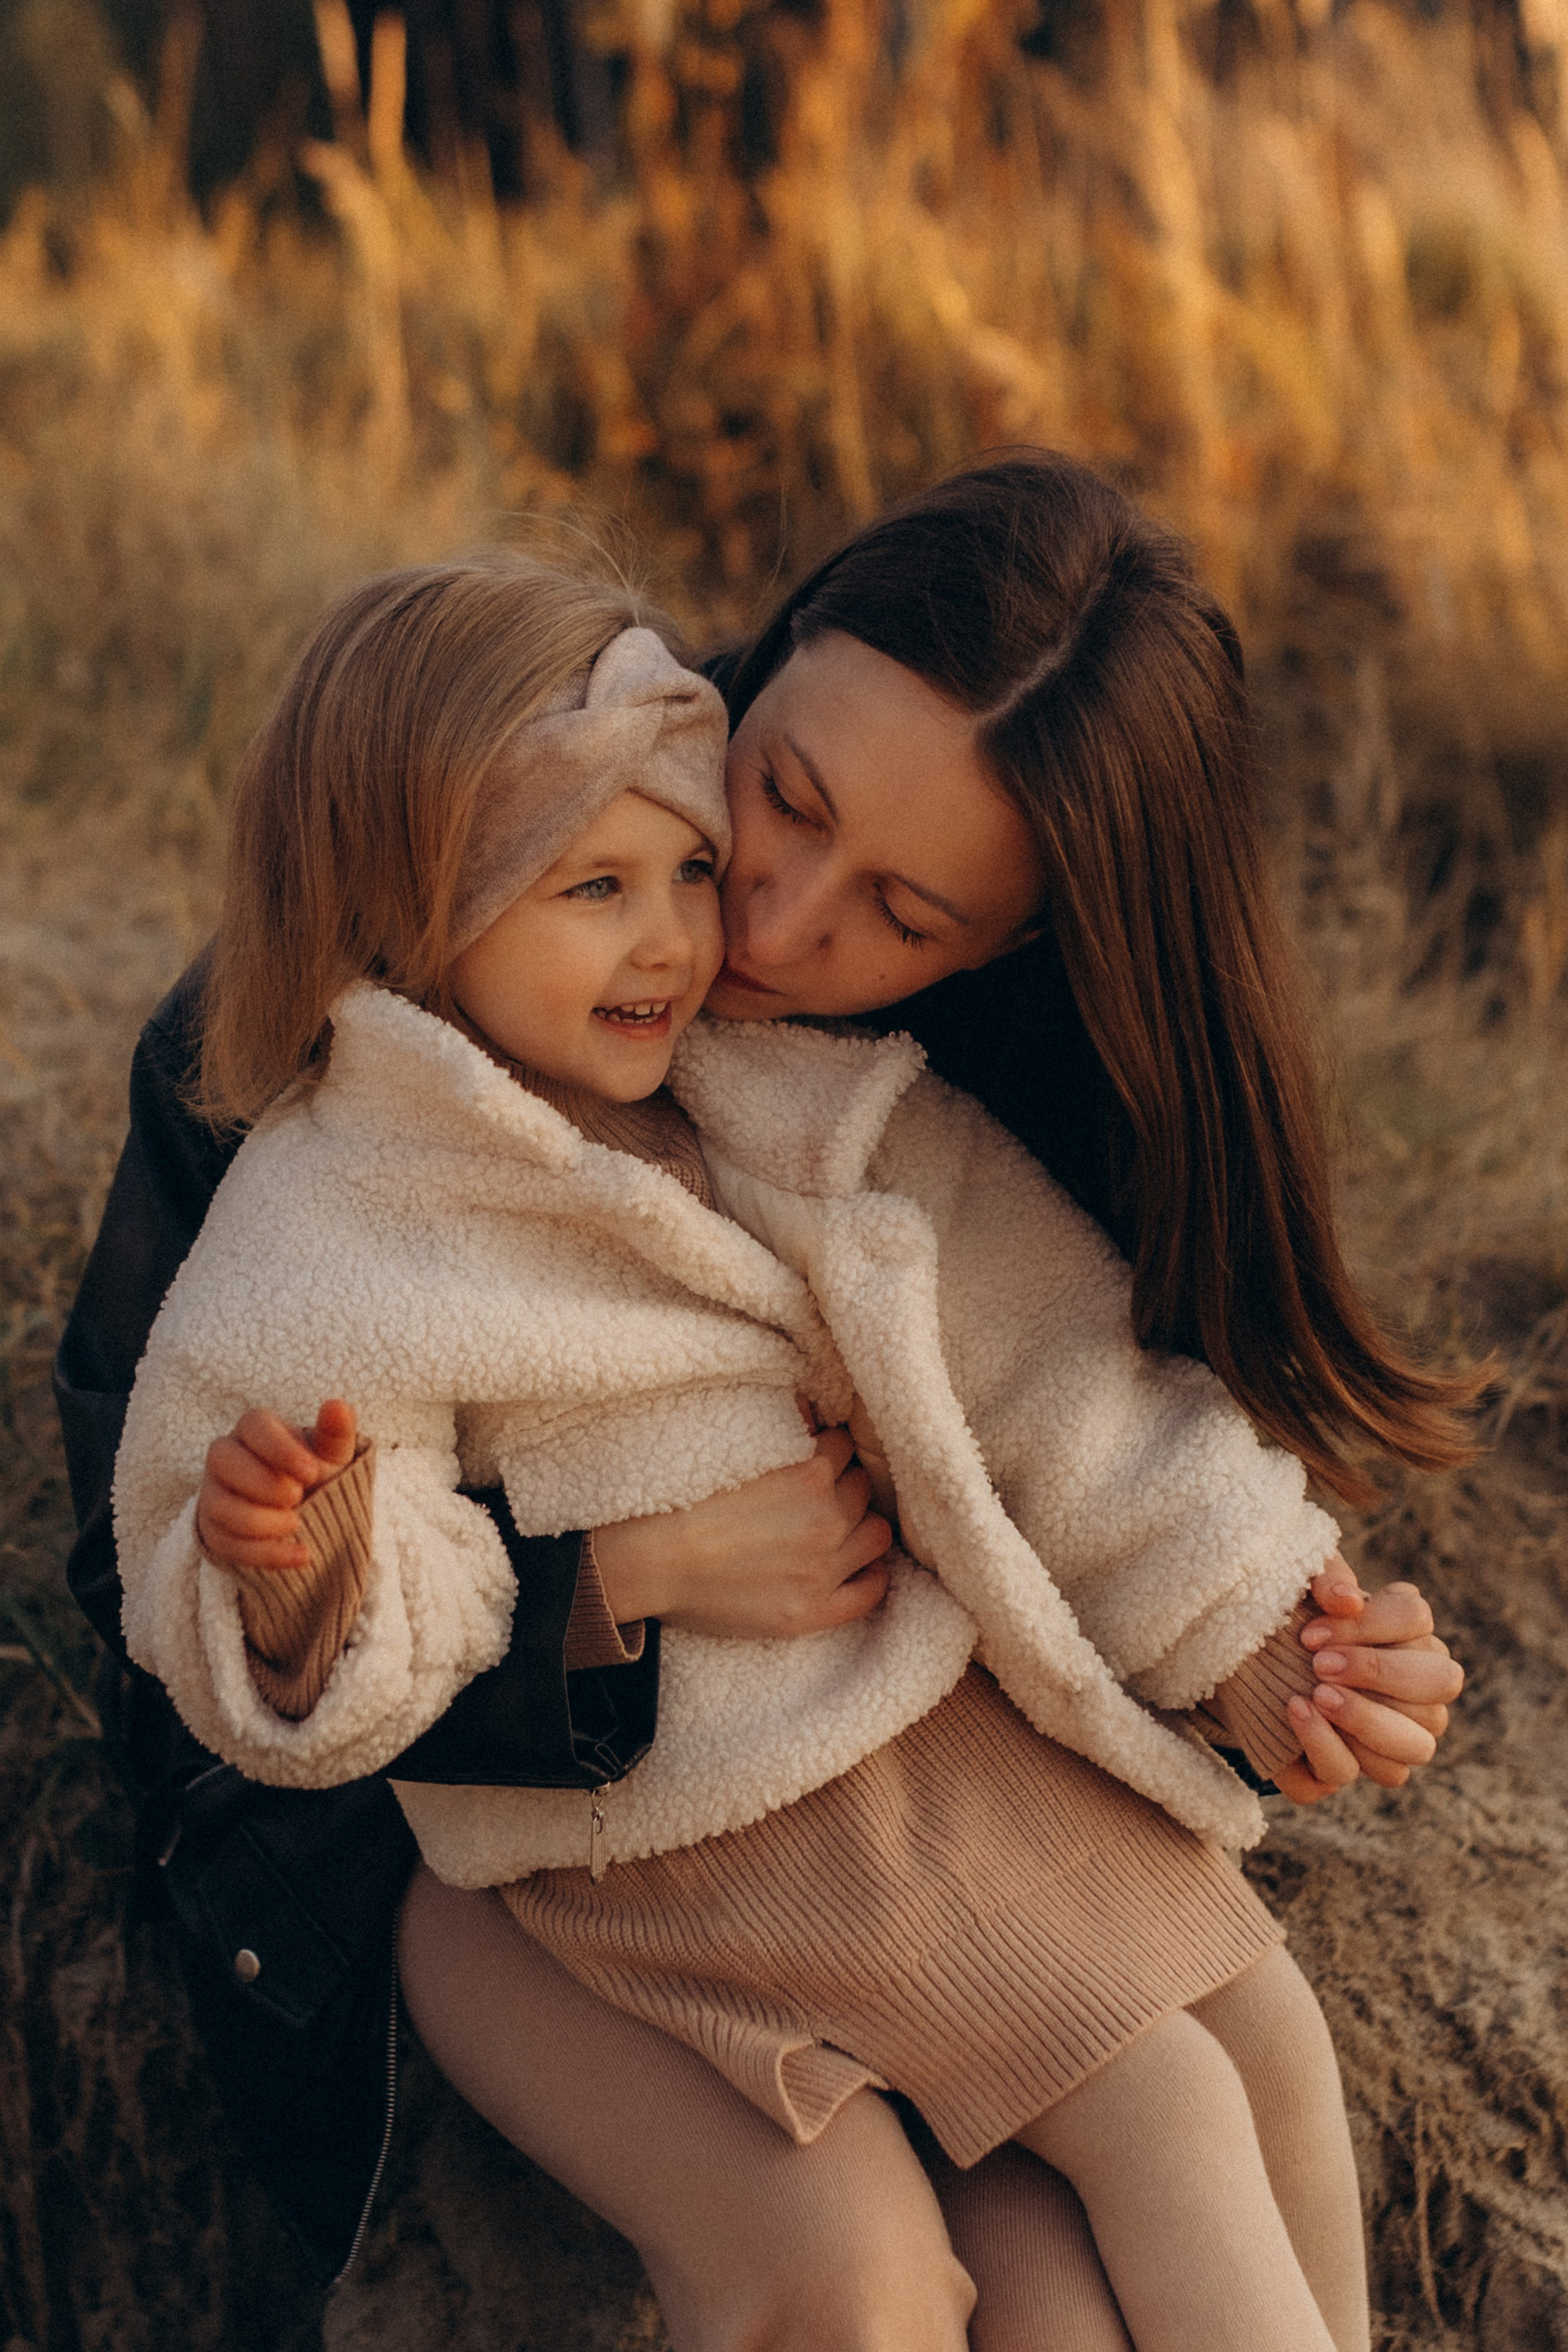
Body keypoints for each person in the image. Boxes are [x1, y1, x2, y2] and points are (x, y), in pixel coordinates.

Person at [109, 507, 1473, 2351]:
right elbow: (231, 1546)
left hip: (898, 1742)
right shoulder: (344, 1110)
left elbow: (1061, 1381)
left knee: (1194, 2140)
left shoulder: (822, 1089)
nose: (742, 923)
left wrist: (1268, 1639)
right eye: (782, 803)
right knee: (1138, 2122)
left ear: (1018, 942)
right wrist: (534, 1577)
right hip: (631, 1818)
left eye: (902, 915)